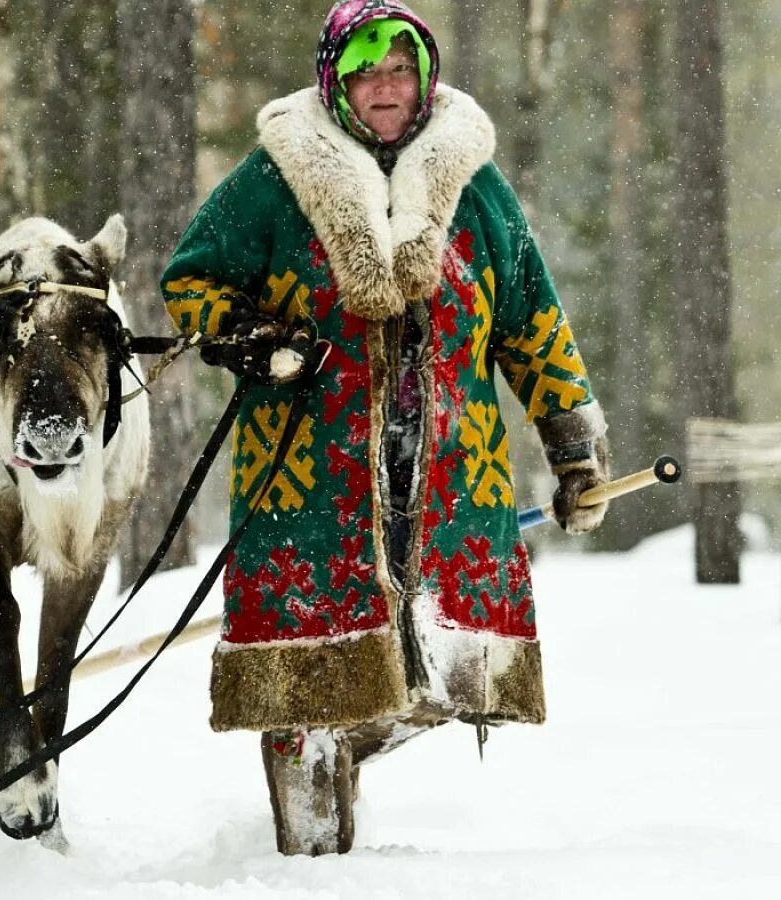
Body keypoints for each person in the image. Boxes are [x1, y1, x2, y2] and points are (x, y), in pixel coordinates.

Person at [160, 0, 610, 856]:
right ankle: (309, 856)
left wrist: (572, 441)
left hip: (449, 474)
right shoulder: (273, 180)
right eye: (366, 74)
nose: (386, 88)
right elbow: (193, 281)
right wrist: (255, 338)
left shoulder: (475, 186)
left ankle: (348, 746)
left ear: (424, 77)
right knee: (305, 682)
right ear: (336, 84)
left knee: (439, 672)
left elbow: (531, 322)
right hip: (311, 475)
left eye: (400, 71)